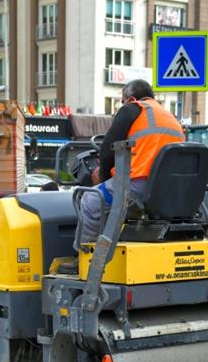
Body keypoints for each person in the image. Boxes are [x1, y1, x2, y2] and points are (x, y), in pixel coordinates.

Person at [74, 79, 185, 251]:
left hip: (138, 186)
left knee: (90, 200)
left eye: (122, 101)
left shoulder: (134, 108)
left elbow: (109, 148)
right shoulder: (170, 117)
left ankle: (84, 258)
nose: (122, 105)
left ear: (131, 99)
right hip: (169, 190)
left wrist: (101, 178)